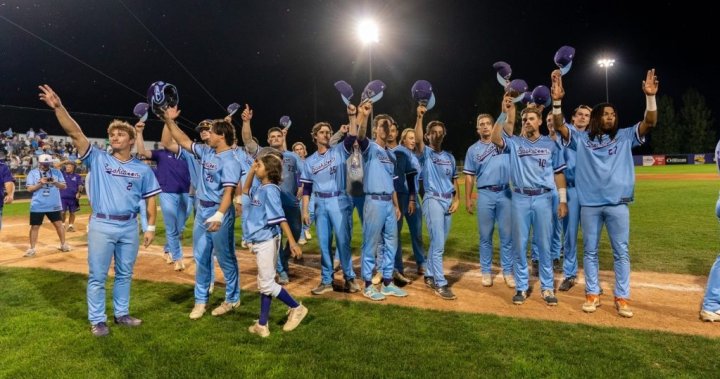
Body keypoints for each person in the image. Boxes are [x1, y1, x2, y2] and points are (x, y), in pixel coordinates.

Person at [38, 85, 160, 337]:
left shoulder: (143, 170)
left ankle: (121, 313)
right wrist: (59, 107)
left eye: (119, 135)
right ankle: (98, 320)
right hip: (102, 224)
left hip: (129, 225)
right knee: (97, 275)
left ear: (129, 140)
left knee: (125, 273)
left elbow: (150, 200)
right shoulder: (99, 158)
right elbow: (75, 133)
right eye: (112, 134)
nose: (114, 137)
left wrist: (150, 227)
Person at [552, 68, 659, 317]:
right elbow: (559, 125)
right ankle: (592, 293)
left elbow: (650, 122)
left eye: (613, 114)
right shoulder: (581, 139)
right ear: (596, 118)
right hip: (590, 205)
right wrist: (557, 102)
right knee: (589, 251)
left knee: (621, 252)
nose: (611, 117)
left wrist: (650, 97)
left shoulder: (624, 137)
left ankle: (622, 297)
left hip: (617, 204)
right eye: (606, 114)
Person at [163, 107, 242, 320]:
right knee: (201, 256)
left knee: (225, 259)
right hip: (202, 209)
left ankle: (232, 298)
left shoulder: (231, 160)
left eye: (213, 131)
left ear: (222, 135)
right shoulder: (207, 151)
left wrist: (219, 214)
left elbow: (229, 191)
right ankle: (200, 301)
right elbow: (183, 140)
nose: (208, 134)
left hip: (219, 211)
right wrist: (169, 121)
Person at [491, 94, 568, 306]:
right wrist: (503, 113)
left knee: (544, 245)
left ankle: (547, 288)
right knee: (520, 244)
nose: (527, 122)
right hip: (520, 198)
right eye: (524, 119)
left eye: (531, 119)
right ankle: (522, 287)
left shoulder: (551, 144)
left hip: (544, 198)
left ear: (540, 121)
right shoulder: (515, 143)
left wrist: (562, 201)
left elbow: (559, 174)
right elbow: (496, 138)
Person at [243, 154, 308, 337]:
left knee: (267, 284)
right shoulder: (261, 187)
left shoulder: (270, 189)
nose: (256, 168)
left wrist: (293, 242)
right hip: (259, 239)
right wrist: (251, 169)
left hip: (266, 241)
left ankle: (297, 307)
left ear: (269, 170)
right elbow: (245, 188)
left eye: (260, 165)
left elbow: (280, 218)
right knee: (265, 281)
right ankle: (262, 324)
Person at [240, 105, 303, 285]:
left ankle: (282, 258)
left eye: (278, 136)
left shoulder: (292, 156)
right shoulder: (263, 152)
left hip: (290, 201)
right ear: (268, 139)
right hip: (269, 200)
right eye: (272, 136)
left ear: (283, 137)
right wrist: (246, 122)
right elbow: (247, 140)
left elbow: (305, 176)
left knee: (296, 232)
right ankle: (281, 269)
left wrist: (301, 192)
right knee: (277, 233)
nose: (275, 138)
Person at [300, 106, 360, 295]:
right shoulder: (309, 161)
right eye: (322, 132)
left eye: (328, 131)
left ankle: (349, 278)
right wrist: (304, 210)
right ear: (315, 136)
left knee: (343, 241)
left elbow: (351, 137)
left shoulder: (339, 151)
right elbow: (307, 188)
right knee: (324, 243)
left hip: (339, 199)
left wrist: (352, 117)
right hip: (320, 203)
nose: (326, 134)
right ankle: (327, 280)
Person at [355, 108, 407, 301]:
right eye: (382, 125)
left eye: (389, 126)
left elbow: (391, 183)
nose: (386, 129)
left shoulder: (391, 155)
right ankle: (368, 285)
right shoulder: (369, 147)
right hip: (374, 201)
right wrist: (366, 115)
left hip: (388, 204)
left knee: (391, 245)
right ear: (376, 129)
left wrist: (396, 205)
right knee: (371, 244)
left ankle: (387, 283)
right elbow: (360, 135)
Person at [414, 104, 460, 300]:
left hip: (448, 200)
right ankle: (440, 284)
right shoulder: (426, 154)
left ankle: (430, 274)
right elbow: (416, 141)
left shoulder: (449, 157)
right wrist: (419, 118)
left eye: (440, 132)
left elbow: (454, 180)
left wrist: (457, 198)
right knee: (439, 243)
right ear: (428, 136)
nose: (438, 135)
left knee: (437, 241)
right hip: (432, 199)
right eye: (433, 132)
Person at [464, 113, 514, 288]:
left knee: (507, 235)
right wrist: (468, 198)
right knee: (485, 236)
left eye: (488, 123)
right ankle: (486, 271)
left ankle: (508, 271)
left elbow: (510, 120)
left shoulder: (503, 142)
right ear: (477, 128)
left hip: (505, 193)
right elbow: (469, 177)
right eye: (481, 124)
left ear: (494, 126)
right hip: (485, 194)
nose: (485, 126)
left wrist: (505, 108)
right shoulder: (472, 150)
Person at [135, 122, 191, 272]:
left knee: (179, 227)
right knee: (171, 226)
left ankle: (167, 248)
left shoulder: (186, 153)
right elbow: (141, 152)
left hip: (187, 193)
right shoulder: (161, 153)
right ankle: (177, 257)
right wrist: (139, 133)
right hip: (167, 193)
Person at [557, 105, 592, 291]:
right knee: (570, 235)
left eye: (587, 115)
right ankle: (569, 274)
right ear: (573, 117)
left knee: (590, 236)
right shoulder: (566, 132)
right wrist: (557, 102)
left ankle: (592, 278)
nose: (583, 118)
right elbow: (558, 121)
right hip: (570, 190)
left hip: (590, 191)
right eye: (580, 114)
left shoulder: (594, 136)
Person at [387, 122, 423, 282]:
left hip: (412, 196)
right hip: (402, 197)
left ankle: (421, 263)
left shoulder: (414, 156)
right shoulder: (399, 152)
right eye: (410, 138)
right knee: (397, 234)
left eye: (415, 138)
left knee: (417, 233)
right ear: (403, 139)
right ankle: (398, 268)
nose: (414, 140)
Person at [24, 154, 70, 257]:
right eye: (44, 164)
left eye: (47, 164)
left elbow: (63, 186)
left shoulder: (57, 172)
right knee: (35, 226)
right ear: (39, 163)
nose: (45, 166)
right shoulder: (33, 173)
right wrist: (40, 184)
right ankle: (32, 248)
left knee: (59, 225)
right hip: (38, 204)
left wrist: (55, 182)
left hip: (54, 204)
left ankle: (63, 244)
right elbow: (29, 189)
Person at [292, 141, 313, 245]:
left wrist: (303, 187)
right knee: (299, 215)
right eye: (297, 150)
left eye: (301, 149)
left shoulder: (310, 162)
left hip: (309, 191)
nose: (299, 151)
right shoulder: (294, 163)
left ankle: (306, 228)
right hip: (296, 192)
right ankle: (301, 237)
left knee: (312, 212)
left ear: (305, 151)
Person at [59, 160, 84, 232]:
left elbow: (80, 185)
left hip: (73, 197)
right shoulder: (62, 174)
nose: (67, 168)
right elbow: (55, 166)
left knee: (72, 212)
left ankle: (70, 226)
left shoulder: (77, 176)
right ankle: (63, 224)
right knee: (62, 212)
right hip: (62, 196)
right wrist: (64, 162)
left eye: (69, 167)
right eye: (66, 167)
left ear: (73, 168)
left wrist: (79, 192)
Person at [0, 159, 15, 231]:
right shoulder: (3, 166)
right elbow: (9, 182)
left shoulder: (3, 166)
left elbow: (9, 182)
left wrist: (10, 195)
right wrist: (10, 195)